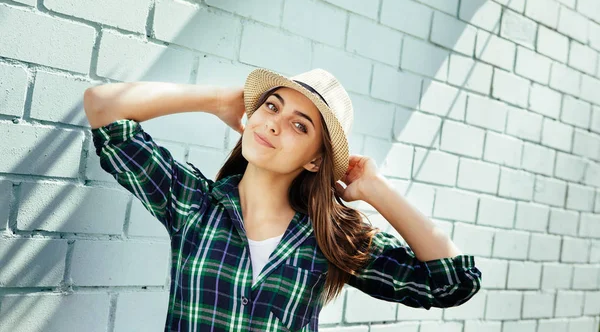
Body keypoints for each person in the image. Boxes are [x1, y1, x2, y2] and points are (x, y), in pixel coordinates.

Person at [83, 67, 482, 332]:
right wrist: (219, 100)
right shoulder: (194, 204)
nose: (274, 122)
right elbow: (103, 108)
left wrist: (377, 190)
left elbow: (454, 282)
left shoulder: (330, 239)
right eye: (272, 105)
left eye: (298, 124)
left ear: (315, 159)